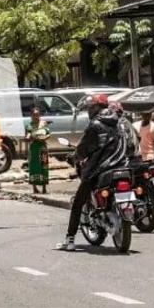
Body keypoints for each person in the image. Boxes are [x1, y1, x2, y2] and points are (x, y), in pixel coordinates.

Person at [59, 94, 127, 251]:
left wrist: (74, 157)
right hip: (121, 165)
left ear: (97, 108)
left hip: (98, 168)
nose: (89, 111)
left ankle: (70, 240)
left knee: (78, 203)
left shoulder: (95, 125)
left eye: (91, 108)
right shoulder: (119, 123)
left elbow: (83, 149)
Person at [25, 107, 50, 194]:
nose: (36, 117)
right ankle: (34, 188)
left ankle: (44, 188)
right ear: (31, 116)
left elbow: (49, 134)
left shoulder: (43, 124)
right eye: (34, 115)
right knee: (34, 167)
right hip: (34, 149)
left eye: (37, 115)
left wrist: (44, 138)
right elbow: (28, 135)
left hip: (43, 148)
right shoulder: (29, 126)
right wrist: (30, 137)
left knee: (44, 166)